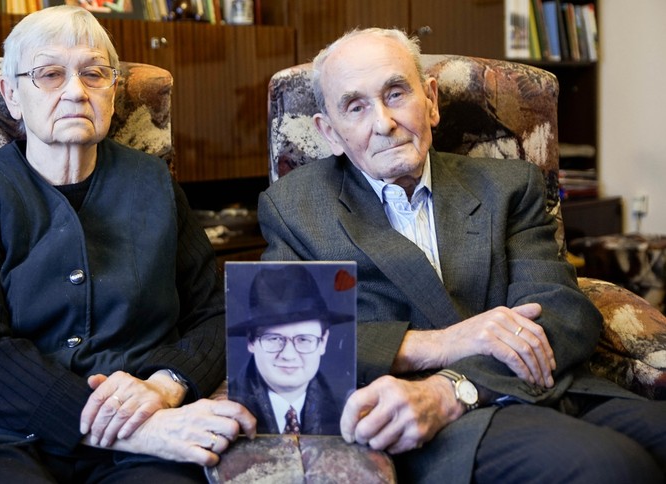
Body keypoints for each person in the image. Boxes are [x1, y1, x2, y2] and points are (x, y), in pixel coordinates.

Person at [256, 27, 666, 483]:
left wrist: (455, 387)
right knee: (611, 466)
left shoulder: (507, 186)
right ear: (329, 132)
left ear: (430, 101)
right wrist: (443, 344)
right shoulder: (295, 209)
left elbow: (562, 312)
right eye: (356, 107)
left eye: (395, 93)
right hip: (431, 424)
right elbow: (284, 343)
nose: (383, 122)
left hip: (544, 387)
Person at [0, 6, 255, 483]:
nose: (76, 91)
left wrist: (167, 384)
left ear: (112, 92)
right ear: (12, 95)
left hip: (140, 416)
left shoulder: (156, 186)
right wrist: (136, 431)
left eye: (94, 74)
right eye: (50, 74)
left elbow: (216, 313)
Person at [227, 265, 353, 435]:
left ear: (323, 342)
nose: (288, 355)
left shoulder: (346, 406)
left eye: (303, 339)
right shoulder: (228, 409)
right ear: (251, 341)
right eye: (274, 339)